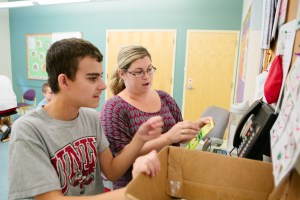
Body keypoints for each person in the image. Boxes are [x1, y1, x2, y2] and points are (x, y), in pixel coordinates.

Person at [8, 38, 164, 200]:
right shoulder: (28, 130)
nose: (103, 85)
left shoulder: (90, 117)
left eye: (100, 76)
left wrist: (139, 139)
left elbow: (112, 172)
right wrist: (131, 192)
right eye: (92, 78)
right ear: (64, 81)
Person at [101, 45, 212, 189]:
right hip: (135, 187)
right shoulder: (114, 108)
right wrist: (167, 138)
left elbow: (179, 137)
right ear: (122, 74)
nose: (146, 76)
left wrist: (194, 129)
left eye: (149, 69)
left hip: (169, 179)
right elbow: (122, 158)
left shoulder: (164, 97)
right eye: (139, 72)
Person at [0, 75, 17, 142]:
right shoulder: (5, 78)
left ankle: (4, 129)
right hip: (13, 105)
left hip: (3, 108)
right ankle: (11, 127)